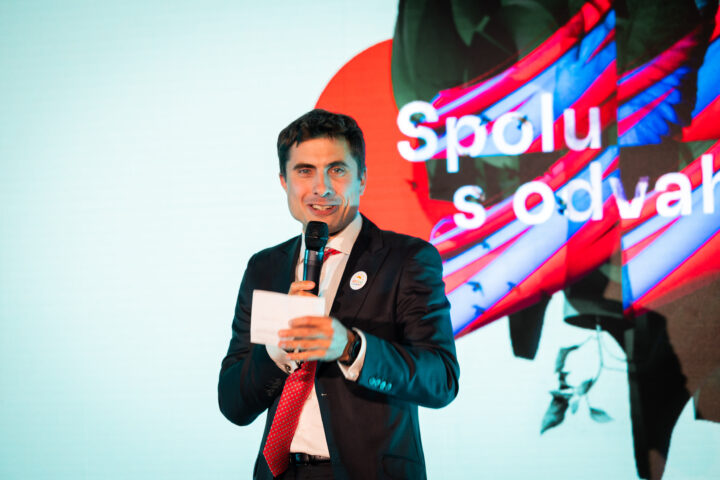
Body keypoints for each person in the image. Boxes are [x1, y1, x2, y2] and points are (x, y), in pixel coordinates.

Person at [218, 109, 459, 479]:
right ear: (283, 181)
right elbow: (234, 404)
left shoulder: (407, 259)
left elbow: (440, 380)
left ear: (362, 178)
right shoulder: (264, 267)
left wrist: (351, 347)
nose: (322, 188)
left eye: (337, 170)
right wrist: (277, 350)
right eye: (304, 171)